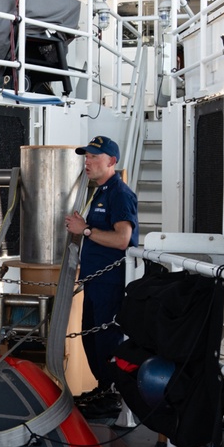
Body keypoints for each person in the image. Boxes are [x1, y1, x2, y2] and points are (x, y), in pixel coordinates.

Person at [64, 135, 138, 417]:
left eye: (94, 157)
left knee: (107, 340)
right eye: (86, 157)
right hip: (94, 281)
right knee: (90, 339)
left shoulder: (119, 194)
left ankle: (112, 395)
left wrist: (84, 230)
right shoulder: (100, 192)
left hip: (111, 282)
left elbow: (122, 239)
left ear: (112, 161)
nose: (88, 162)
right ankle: (103, 388)